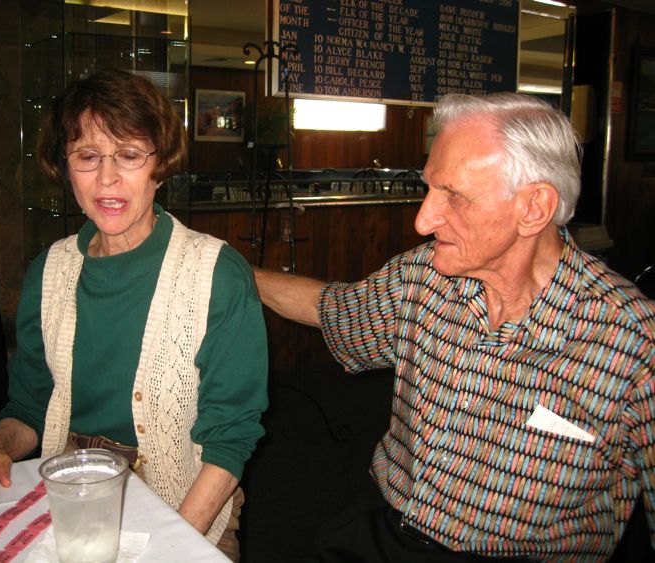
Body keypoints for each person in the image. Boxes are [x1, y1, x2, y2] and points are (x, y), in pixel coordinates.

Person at [255, 92, 655, 561]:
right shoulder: (424, 276)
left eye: (455, 196)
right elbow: (332, 309)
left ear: (533, 208)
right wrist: (232, 272)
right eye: (428, 188)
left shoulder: (633, 344)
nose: (424, 220)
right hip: (388, 533)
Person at [0, 69, 268, 561]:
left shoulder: (218, 274)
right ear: (65, 166)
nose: (107, 178)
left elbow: (230, 441)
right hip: (72, 501)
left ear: (159, 166)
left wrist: (173, 542)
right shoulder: (48, 272)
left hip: (190, 504)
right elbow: (30, 407)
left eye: (129, 155)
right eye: (87, 157)